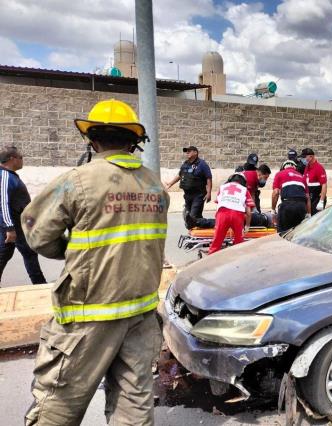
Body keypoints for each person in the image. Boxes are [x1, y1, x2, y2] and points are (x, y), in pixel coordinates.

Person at [22, 99, 169, 425]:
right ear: (133, 142)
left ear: (92, 139)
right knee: (134, 408)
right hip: (141, 315)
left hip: (87, 316)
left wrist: (73, 249)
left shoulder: (78, 181)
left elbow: (36, 234)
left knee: (57, 406)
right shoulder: (156, 186)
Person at [0, 147, 46, 285]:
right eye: (21, 158)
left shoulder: (9, 175)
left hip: (19, 226)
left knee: (30, 253)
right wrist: (9, 228)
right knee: (4, 255)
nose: (22, 161)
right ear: (12, 159)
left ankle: (39, 284)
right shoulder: (5, 177)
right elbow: (3, 203)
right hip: (11, 227)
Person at [164, 146, 212, 229]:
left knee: (192, 218)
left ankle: (214, 222)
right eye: (186, 151)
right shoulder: (185, 164)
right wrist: (170, 183)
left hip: (198, 195)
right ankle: (200, 232)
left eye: (189, 151)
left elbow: (209, 178)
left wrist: (209, 192)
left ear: (195, 153)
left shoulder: (202, 164)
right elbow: (180, 175)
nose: (187, 152)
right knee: (193, 217)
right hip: (187, 195)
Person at [209, 173, 254, 254]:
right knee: (239, 242)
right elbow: (249, 213)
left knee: (217, 241)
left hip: (222, 214)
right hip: (237, 215)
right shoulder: (244, 190)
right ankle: (237, 261)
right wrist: (247, 226)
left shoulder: (222, 187)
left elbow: (218, 203)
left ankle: (210, 260)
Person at [272, 160, 311, 232]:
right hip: (301, 206)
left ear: (283, 167)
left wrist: (273, 210)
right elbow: (307, 197)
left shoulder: (279, 174)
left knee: (282, 233)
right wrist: (309, 214)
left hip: (287, 205)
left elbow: (276, 192)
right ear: (295, 167)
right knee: (297, 233)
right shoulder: (301, 177)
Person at [301, 148, 327, 215]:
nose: (303, 159)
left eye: (304, 157)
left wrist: (321, 201)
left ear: (311, 156)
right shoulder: (307, 167)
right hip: (309, 199)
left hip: (316, 199)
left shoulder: (319, 168)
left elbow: (324, 185)